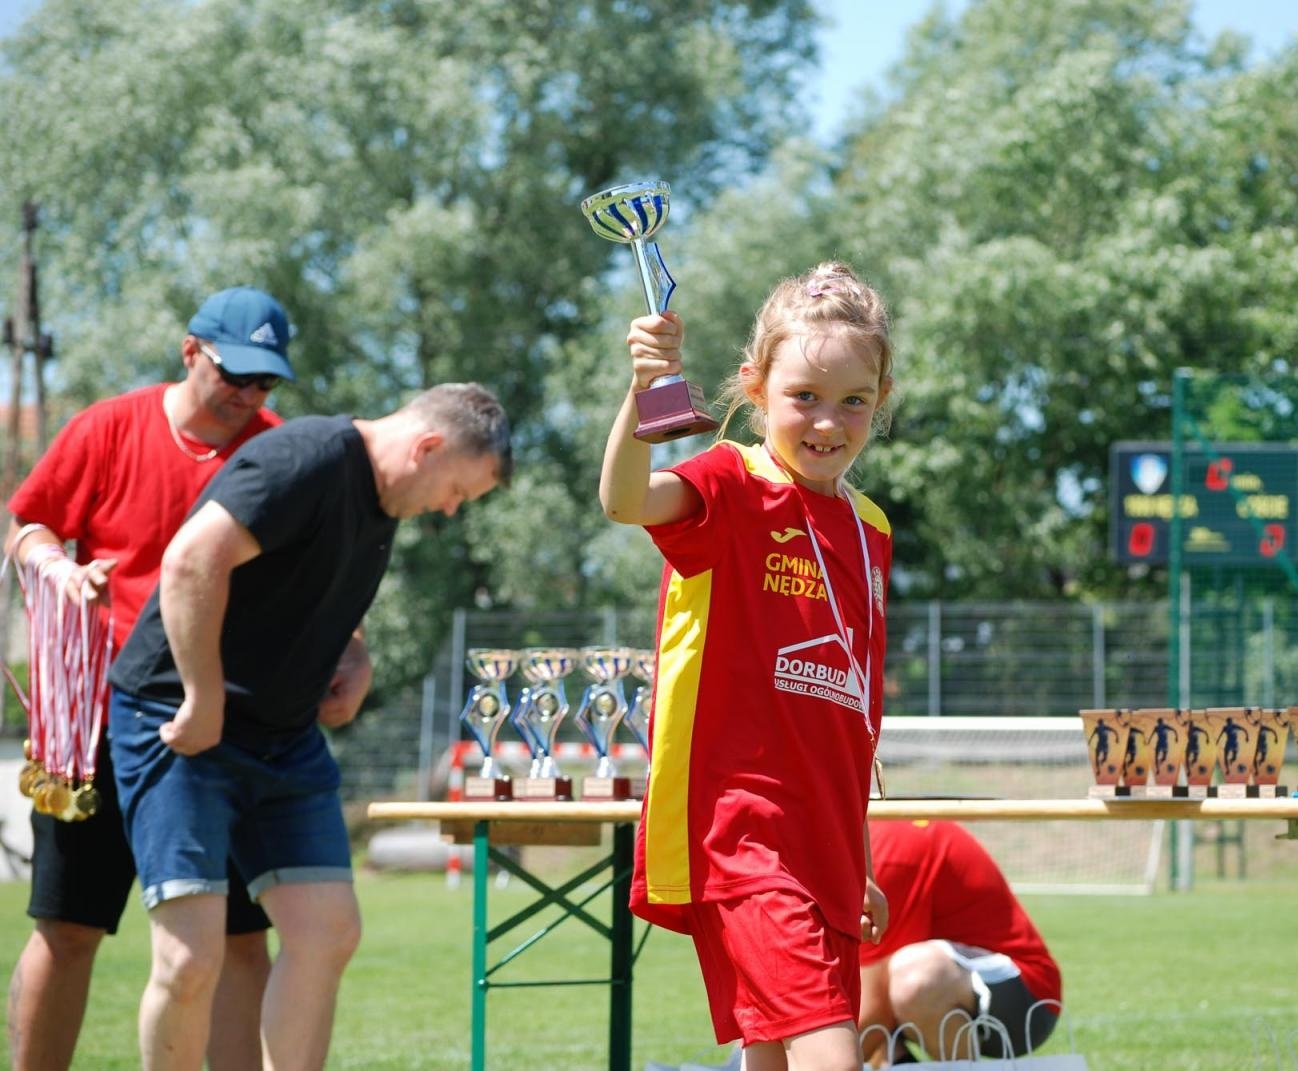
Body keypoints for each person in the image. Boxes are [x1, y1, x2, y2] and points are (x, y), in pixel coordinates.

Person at [106, 382, 511, 1070]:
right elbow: (190, 560)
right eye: (456, 491)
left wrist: (355, 655)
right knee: (189, 956)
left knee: (327, 930)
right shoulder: (306, 457)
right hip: (179, 723)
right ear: (428, 446)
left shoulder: (384, 502)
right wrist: (203, 695)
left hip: (283, 739)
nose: (448, 509)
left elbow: (314, 588)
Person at [3, 285, 344, 1071]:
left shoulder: (278, 449)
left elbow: (317, 570)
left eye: (265, 382)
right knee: (69, 926)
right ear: (191, 351)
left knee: (237, 937)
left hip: (222, 728)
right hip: (94, 722)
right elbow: (29, 524)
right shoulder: (107, 426)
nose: (249, 395)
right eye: (236, 374)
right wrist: (54, 566)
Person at [600, 262, 896, 1071]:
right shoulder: (732, 483)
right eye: (803, 395)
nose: (827, 421)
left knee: (770, 1052)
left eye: (853, 399)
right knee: (829, 1050)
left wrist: (858, 860)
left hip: (826, 847)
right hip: (744, 837)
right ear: (756, 387)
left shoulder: (870, 528)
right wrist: (642, 390)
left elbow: (853, 714)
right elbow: (625, 501)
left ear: (882, 396)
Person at [858, 820, 1062, 1066]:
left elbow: (872, 1011)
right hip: (945, 984)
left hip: (1026, 998)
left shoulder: (884, 855)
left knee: (914, 978)